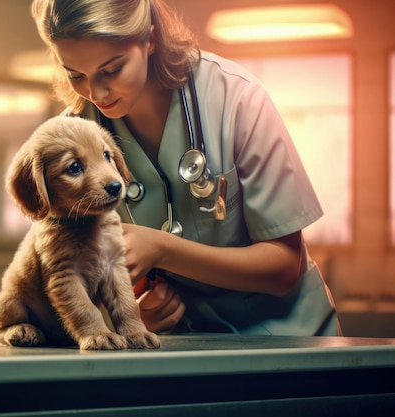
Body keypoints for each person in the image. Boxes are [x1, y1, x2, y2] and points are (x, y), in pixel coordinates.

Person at [30, 0, 340, 336]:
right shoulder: (72, 139)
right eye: (75, 74)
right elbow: (71, 268)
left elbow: (283, 268)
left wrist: (161, 250)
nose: (95, 92)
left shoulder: (237, 98)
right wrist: (138, 309)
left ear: (149, 39)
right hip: (188, 346)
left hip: (291, 340)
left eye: (112, 69)